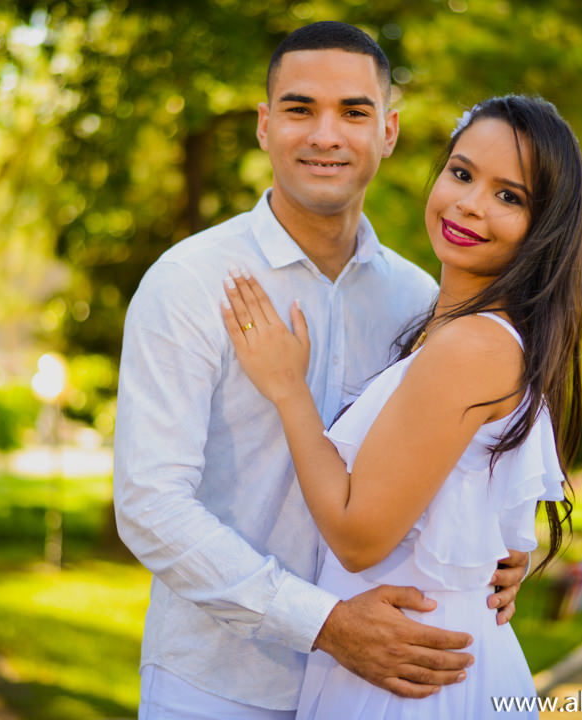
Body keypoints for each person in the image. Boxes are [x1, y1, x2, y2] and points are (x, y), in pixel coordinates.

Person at [114, 21, 530, 720]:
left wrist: (499, 552)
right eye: (300, 109)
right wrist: (324, 624)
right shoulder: (189, 282)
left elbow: (440, 473)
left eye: (354, 112)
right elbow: (150, 507)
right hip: (217, 688)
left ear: (389, 132)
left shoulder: (421, 302)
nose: (325, 135)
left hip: (374, 693)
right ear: (264, 125)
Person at [219, 94, 582, 718]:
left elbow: (359, 536)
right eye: (463, 173)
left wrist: (289, 390)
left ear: (543, 225)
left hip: (411, 674)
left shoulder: (472, 345)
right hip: (418, 654)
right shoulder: (460, 331)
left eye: (509, 196)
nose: (469, 203)